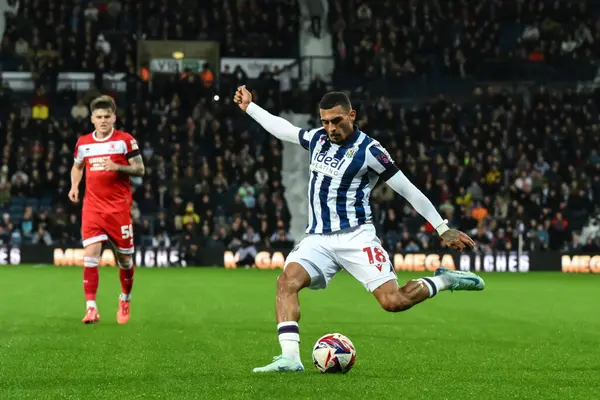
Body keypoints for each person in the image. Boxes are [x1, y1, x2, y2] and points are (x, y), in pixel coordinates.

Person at [233, 86, 485, 373]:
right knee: (286, 283)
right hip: (318, 238)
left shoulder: (371, 151)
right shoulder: (317, 139)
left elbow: (408, 190)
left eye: (337, 120)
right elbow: (284, 130)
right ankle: (290, 358)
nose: (331, 128)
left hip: (356, 236)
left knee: (394, 302)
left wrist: (443, 228)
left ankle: (445, 281)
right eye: (325, 121)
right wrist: (250, 107)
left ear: (351, 115)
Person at [68, 95, 145, 325]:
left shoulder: (125, 141)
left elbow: (140, 169)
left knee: (125, 261)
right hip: (92, 208)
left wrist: (118, 167)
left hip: (118, 210)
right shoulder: (83, 143)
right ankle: (91, 308)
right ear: (92, 118)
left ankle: (125, 298)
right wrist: (74, 186)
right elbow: (77, 167)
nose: (103, 121)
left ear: (114, 117)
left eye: (107, 117)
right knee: (90, 255)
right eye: (98, 117)